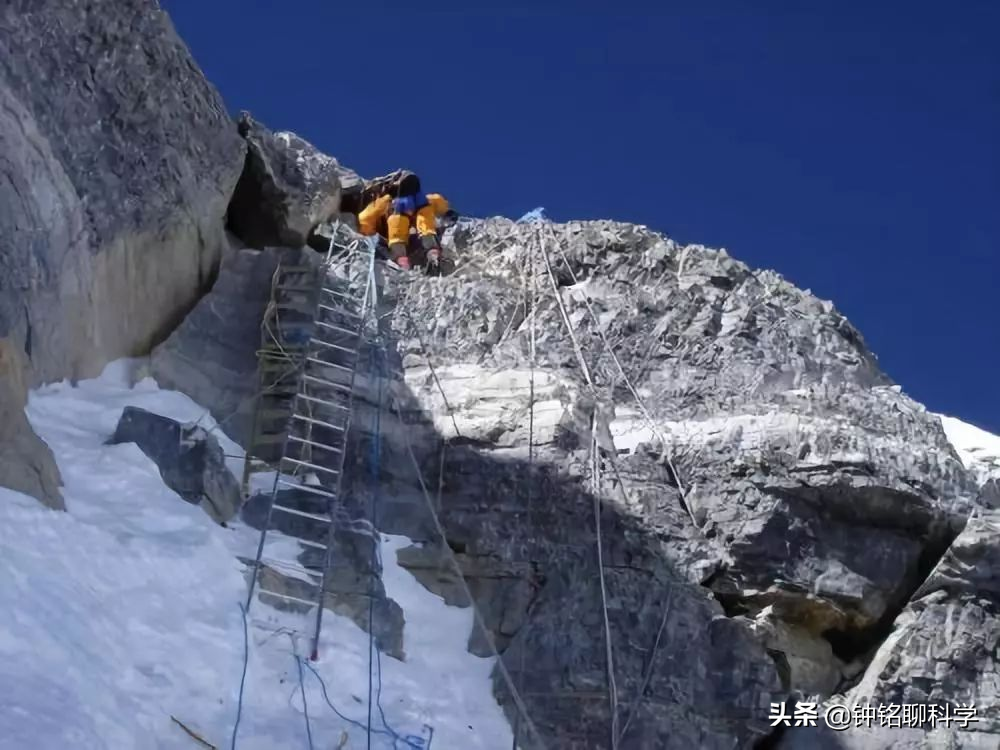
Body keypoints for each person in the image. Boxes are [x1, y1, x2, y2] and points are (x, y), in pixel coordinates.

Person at [357, 172, 451, 271]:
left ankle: (401, 262)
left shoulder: (386, 202)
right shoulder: (425, 201)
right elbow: (440, 203)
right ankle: (433, 253)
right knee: (425, 223)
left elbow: (365, 218)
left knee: (395, 231)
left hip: (396, 240)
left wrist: (366, 231)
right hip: (421, 238)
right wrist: (448, 213)